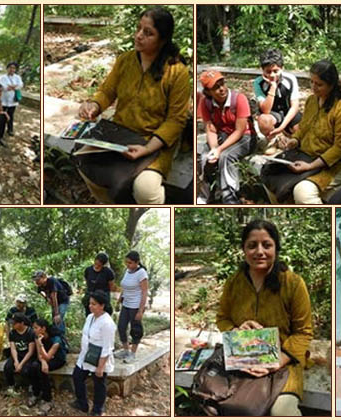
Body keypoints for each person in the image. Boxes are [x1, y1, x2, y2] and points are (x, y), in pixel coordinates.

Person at [77, 7, 191, 204]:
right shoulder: (125, 60)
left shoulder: (177, 72)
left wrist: (147, 148)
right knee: (82, 158)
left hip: (155, 142)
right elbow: (107, 91)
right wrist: (94, 105)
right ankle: (111, 205)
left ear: (163, 40)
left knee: (145, 191)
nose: (139, 36)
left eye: (148, 33)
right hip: (119, 134)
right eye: (139, 29)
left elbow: (175, 121)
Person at [216, 220, 313, 416]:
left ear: (276, 248)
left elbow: (304, 332)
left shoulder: (292, 283)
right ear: (243, 249)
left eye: (266, 245)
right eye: (252, 246)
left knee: (281, 412)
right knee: (230, 406)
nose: (259, 252)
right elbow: (222, 318)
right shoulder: (234, 283)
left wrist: (278, 361)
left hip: (284, 363)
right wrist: (236, 330)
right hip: (244, 359)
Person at [264, 59, 341, 204]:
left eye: (319, 84)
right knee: (270, 172)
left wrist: (311, 166)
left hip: (334, 163)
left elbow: (340, 148)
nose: (314, 87)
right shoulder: (312, 101)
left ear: (331, 85)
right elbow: (304, 127)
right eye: (311, 82)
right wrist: (295, 140)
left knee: (302, 192)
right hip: (306, 155)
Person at [197, 70, 254, 204]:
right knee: (205, 157)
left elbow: (240, 131)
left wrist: (220, 150)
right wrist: (214, 149)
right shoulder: (206, 103)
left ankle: (230, 196)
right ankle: (207, 194)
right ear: (208, 92)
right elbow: (210, 129)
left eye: (222, 84)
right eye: (216, 88)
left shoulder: (239, 99)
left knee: (226, 156)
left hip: (245, 137)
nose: (222, 89)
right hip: (223, 136)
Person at [71, 291, 116, 416]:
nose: (90, 306)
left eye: (94, 304)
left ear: (102, 306)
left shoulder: (107, 323)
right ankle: (82, 403)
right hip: (86, 355)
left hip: (100, 359)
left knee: (99, 384)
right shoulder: (90, 317)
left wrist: (100, 367)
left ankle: (97, 410)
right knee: (77, 376)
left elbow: (108, 347)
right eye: (90, 303)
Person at [253, 48, 302, 139]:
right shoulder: (258, 83)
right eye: (268, 71)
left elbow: (294, 106)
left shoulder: (290, 79)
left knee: (301, 132)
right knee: (264, 120)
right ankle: (273, 140)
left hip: (288, 113)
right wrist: (273, 87)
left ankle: (284, 134)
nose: (272, 75)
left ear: (282, 68)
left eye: (276, 71)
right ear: (262, 70)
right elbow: (265, 110)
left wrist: (282, 127)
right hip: (272, 114)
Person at [115, 251, 148, 363]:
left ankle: (133, 354)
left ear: (137, 262)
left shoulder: (142, 273)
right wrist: (119, 300)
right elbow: (124, 287)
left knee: (136, 330)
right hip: (126, 304)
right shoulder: (127, 271)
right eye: (126, 262)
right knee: (121, 327)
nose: (127, 265)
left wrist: (140, 310)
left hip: (136, 305)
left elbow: (144, 292)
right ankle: (125, 350)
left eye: (130, 263)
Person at [29, 318, 67, 414]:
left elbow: (48, 357)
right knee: (33, 366)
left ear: (43, 328)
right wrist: (43, 362)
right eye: (33, 327)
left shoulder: (56, 339)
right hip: (44, 358)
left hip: (58, 359)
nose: (33, 330)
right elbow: (39, 355)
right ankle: (36, 393)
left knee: (41, 370)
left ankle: (47, 399)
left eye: (36, 328)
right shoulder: (37, 336)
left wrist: (40, 344)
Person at [3, 312, 36, 397]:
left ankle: (31, 386)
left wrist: (21, 364)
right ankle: (11, 385)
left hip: (28, 356)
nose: (12, 325)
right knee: (7, 367)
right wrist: (16, 361)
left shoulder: (30, 332)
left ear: (21, 323)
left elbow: (31, 351)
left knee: (26, 370)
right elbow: (13, 348)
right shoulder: (12, 333)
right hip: (17, 355)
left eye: (14, 323)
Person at [83, 252, 115, 316]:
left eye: (99, 265)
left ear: (103, 264)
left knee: (102, 315)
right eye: (96, 263)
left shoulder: (108, 272)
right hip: (91, 295)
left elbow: (111, 285)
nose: (97, 266)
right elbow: (87, 281)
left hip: (103, 297)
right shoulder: (88, 270)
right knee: (89, 314)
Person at [0, 62, 23, 137]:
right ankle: (1, 129)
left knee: (11, 115)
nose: (12, 69)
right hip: (4, 99)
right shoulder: (3, 77)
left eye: (13, 68)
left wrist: (12, 87)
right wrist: (11, 87)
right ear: (7, 68)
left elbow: (20, 85)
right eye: (10, 67)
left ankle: (10, 129)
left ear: (15, 69)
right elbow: (2, 87)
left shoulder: (17, 77)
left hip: (13, 100)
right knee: (2, 114)